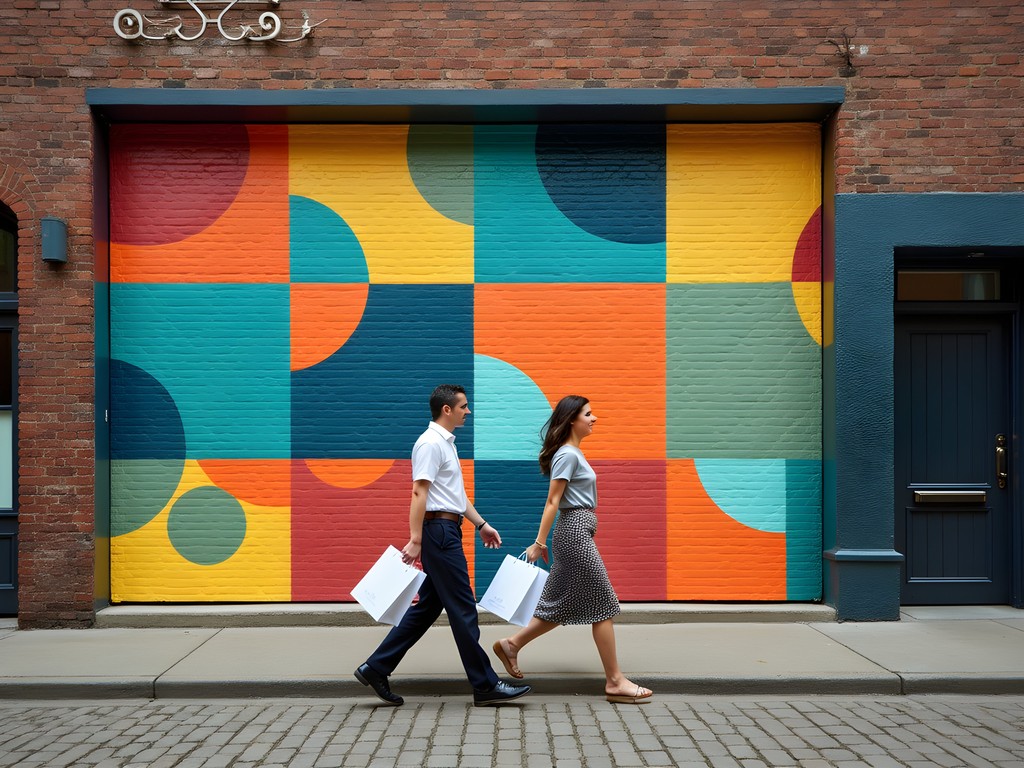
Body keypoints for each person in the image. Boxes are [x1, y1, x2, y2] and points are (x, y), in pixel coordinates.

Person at [355, 384, 531, 707]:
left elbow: (455, 496)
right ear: (446, 410)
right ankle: (485, 684)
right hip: (438, 532)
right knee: (463, 608)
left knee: (427, 609)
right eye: (463, 406)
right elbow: (419, 492)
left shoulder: (446, 444)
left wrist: (481, 524)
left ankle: (376, 667)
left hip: (447, 528)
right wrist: (415, 539)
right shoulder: (430, 444)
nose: (468, 411)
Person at [491, 395, 653, 704]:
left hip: (579, 530)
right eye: (588, 414)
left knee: (564, 604)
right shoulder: (567, 454)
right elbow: (553, 500)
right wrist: (539, 542)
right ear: (571, 420)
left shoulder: (573, 453)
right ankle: (615, 681)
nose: (594, 418)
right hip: (575, 532)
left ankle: (512, 644)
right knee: (604, 603)